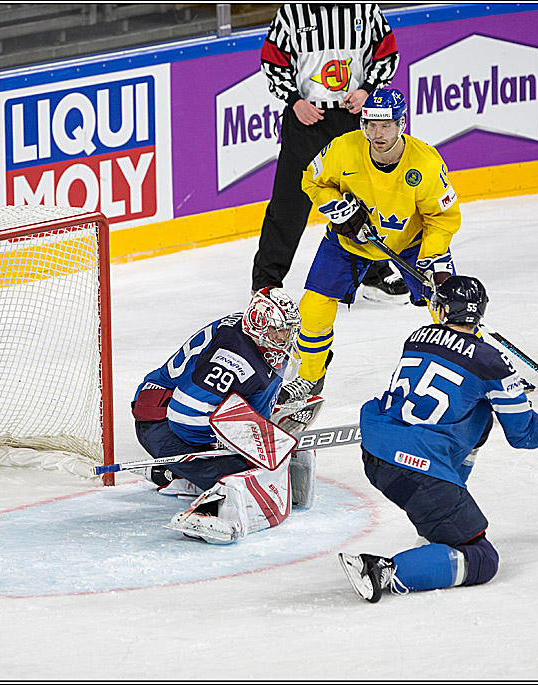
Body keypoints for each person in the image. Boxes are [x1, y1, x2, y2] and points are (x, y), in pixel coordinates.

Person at [337, 275, 538, 602]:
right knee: (481, 559)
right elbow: (522, 434)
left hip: (376, 453)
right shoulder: (493, 362)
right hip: (416, 471)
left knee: (481, 419)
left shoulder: (417, 337)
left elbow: (453, 366)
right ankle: (382, 571)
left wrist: (498, 383)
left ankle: (446, 507)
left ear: (441, 308)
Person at [277, 86, 462, 405]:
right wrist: (336, 207)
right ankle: (309, 376)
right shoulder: (344, 149)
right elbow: (312, 180)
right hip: (349, 241)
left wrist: (433, 258)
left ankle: (476, 369)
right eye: (371, 125)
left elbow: (442, 217)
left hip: (410, 241)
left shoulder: (426, 163)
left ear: (401, 124)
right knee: (313, 308)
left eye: (386, 125)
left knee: (450, 304)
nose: (377, 133)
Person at [131, 287, 318, 544]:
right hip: (162, 422)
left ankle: (177, 474)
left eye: (289, 331)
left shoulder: (258, 341)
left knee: (255, 463)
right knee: (243, 474)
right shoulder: (232, 355)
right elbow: (183, 416)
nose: (285, 338)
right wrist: (228, 442)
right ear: (261, 326)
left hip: (193, 412)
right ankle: (203, 505)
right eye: (280, 331)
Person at [251, 4, 407, 303]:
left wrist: (369, 89)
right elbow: (272, 60)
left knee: (366, 197)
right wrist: (294, 100)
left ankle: (373, 273)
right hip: (307, 118)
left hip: (353, 117)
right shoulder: (292, 13)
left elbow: (387, 51)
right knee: (289, 204)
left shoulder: (365, 9)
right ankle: (266, 283)